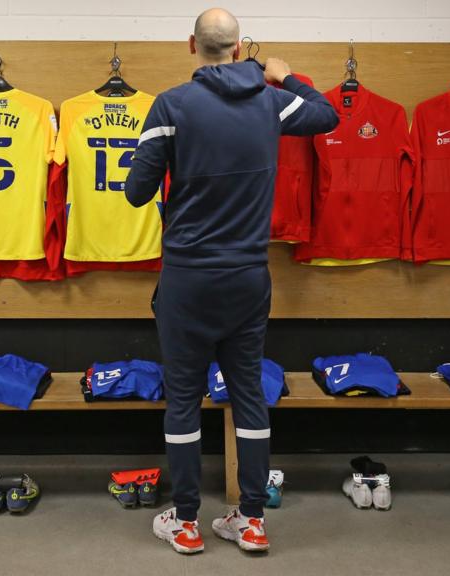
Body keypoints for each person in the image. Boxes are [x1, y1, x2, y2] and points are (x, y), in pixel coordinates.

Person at [125, 7, 338, 555]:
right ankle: (250, 521)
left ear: (191, 45)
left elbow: (135, 191)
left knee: (183, 400)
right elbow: (326, 115)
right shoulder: (272, 101)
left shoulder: (171, 105)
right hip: (247, 278)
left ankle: (188, 522)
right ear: (242, 48)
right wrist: (284, 72)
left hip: (188, 282)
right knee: (248, 396)